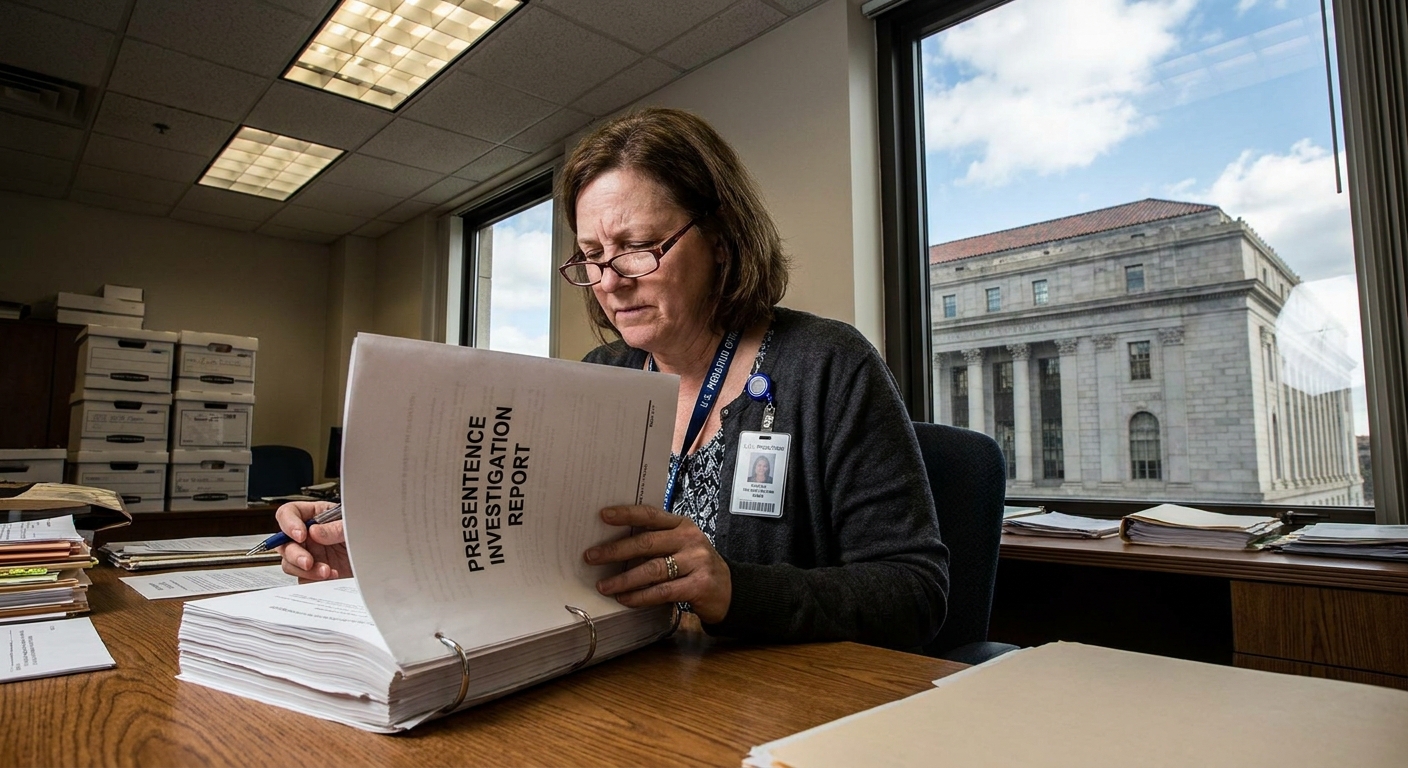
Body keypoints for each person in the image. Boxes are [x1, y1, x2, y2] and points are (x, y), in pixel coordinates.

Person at [276, 108, 949, 651]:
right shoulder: (602, 380)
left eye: (636, 246)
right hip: (633, 689)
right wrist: (375, 552)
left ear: (720, 240)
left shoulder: (826, 365)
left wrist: (734, 590)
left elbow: (916, 592)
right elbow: (529, 552)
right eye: (593, 255)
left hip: (775, 711)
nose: (608, 280)